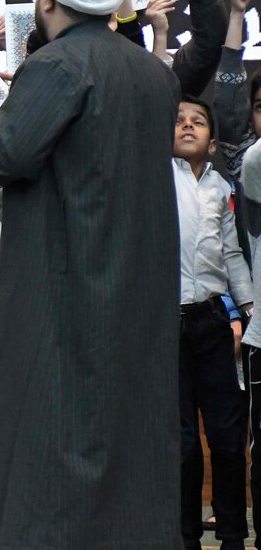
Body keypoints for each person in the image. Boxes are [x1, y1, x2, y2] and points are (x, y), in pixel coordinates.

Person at [0, 0, 182, 548]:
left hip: (62, 288)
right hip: (136, 292)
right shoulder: (154, 75)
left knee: (45, 436)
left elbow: (2, 155)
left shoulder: (56, 65)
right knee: (130, 435)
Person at [171, 96, 252, 550]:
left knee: (225, 434)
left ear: (213, 141)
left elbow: (232, 253)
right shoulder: (157, 179)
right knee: (182, 441)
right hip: (167, 326)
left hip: (212, 321)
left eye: (197, 122)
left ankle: (233, 535)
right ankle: (185, 535)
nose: (187, 126)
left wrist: (249, 309)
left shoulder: (222, 187)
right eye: (179, 121)